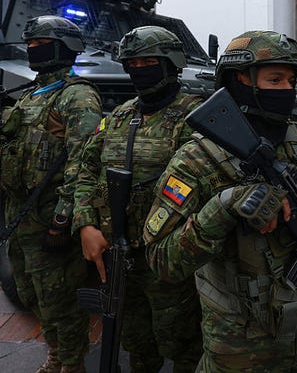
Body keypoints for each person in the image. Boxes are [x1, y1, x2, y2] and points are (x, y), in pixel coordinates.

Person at [143, 30, 297, 371]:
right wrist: (223, 206)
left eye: (291, 81)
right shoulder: (198, 158)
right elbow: (162, 259)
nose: (286, 90)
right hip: (243, 345)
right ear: (240, 81)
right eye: (275, 79)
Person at [0, 16, 102, 373]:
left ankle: (72, 364)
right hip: (19, 212)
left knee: (59, 297)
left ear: (63, 49)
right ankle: (56, 354)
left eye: (40, 45)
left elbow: (85, 160)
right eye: (30, 45)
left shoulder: (77, 96)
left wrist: (63, 219)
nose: (33, 51)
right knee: (31, 293)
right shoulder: (30, 95)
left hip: (49, 213)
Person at [70, 26, 204, 372]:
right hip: (121, 257)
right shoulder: (119, 117)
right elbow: (86, 169)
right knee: (137, 344)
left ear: (171, 63)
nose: (139, 69)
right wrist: (85, 222)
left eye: (149, 61)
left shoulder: (196, 117)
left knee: (186, 343)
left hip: (172, 261)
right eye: (133, 63)